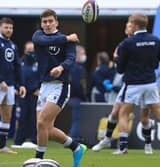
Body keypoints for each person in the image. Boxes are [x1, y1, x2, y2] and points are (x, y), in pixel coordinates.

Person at [32, 9, 87, 167]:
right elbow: (45, 41)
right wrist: (66, 37)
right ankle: (76, 146)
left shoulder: (68, 42)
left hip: (60, 86)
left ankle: (38, 160)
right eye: (44, 22)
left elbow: (71, 59)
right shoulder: (38, 36)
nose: (47, 24)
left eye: (50, 21)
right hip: (44, 86)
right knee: (45, 128)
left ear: (57, 22)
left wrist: (61, 68)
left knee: (42, 122)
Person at [92, 20, 154, 154]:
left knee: (144, 118)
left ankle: (148, 144)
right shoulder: (123, 44)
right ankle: (107, 140)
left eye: (130, 25)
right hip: (129, 83)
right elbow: (118, 66)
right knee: (115, 112)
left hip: (141, 82)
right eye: (127, 25)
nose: (127, 27)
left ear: (135, 27)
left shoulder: (141, 43)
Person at [114, 13, 160, 154]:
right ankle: (146, 146)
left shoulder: (128, 43)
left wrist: (116, 58)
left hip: (134, 84)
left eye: (130, 23)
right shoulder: (155, 40)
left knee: (123, 114)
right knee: (156, 115)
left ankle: (122, 148)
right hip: (150, 83)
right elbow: (157, 61)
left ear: (135, 25)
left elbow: (120, 69)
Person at [0, 17, 26, 154]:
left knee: (7, 115)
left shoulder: (12, 45)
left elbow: (17, 66)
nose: (9, 30)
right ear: (0, 28)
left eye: (11, 28)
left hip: (11, 86)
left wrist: (21, 84)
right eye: (6, 27)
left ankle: (2, 146)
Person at [12, 41, 40, 147]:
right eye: (28, 50)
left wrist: (39, 88)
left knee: (34, 117)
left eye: (32, 50)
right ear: (24, 50)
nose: (30, 52)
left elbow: (43, 76)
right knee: (21, 117)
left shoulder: (39, 63)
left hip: (35, 94)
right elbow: (14, 76)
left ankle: (34, 140)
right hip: (22, 94)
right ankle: (19, 141)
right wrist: (17, 88)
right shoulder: (19, 63)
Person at [68, 44, 87, 139]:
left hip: (71, 96)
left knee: (77, 119)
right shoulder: (77, 68)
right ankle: (72, 138)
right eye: (83, 53)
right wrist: (83, 96)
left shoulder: (71, 66)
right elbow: (77, 84)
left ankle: (75, 137)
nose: (84, 56)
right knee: (77, 119)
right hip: (76, 97)